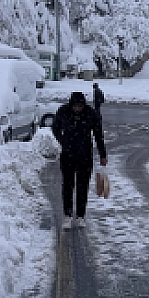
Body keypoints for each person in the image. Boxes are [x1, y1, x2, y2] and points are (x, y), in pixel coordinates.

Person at [51, 90, 107, 229]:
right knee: (68, 186)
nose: (77, 109)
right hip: (67, 155)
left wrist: (102, 154)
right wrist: (62, 140)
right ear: (71, 105)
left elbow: (98, 134)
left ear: (83, 105)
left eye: (80, 106)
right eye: (75, 106)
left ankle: (81, 216)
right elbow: (55, 127)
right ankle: (68, 215)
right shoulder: (63, 111)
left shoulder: (90, 113)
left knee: (83, 186)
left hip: (85, 155)